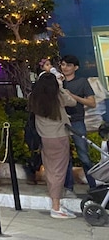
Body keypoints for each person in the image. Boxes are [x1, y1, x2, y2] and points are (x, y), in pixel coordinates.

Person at [28, 71, 78, 218]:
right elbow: (72, 102)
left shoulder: (33, 97)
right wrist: (61, 87)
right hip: (59, 136)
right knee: (58, 172)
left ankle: (56, 204)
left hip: (44, 137)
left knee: (50, 170)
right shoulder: (57, 97)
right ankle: (56, 207)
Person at [60, 55, 98, 193]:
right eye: (63, 64)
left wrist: (72, 96)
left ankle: (93, 186)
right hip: (60, 122)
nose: (65, 67)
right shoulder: (57, 82)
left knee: (83, 155)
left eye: (68, 65)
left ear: (76, 67)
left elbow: (92, 103)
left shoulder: (82, 82)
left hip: (76, 121)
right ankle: (68, 187)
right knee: (65, 156)